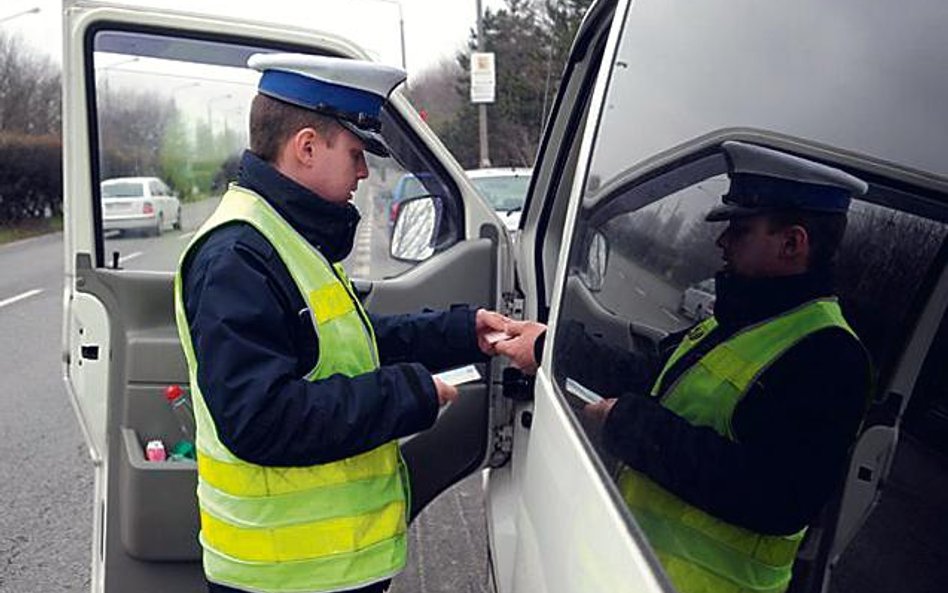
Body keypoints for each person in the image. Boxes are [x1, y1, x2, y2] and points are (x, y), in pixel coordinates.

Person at [173, 53, 508, 593]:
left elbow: (353, 345)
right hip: (284, 576)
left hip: (318, 570)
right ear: (306, 146)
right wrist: (411, 394)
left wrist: (463, 331)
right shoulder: (237, 254)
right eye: (355, 154)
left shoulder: (285, 235)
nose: (362, 172)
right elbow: (261, 420)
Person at [496, 141, 873, 593]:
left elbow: (777, 496)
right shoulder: (737, 318)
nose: (721, 242)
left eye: (739, 229)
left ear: (792, 243)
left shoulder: (830, 356)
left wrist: (629, 423)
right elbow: (655, 378)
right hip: (640, 568)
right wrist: (550, 347)